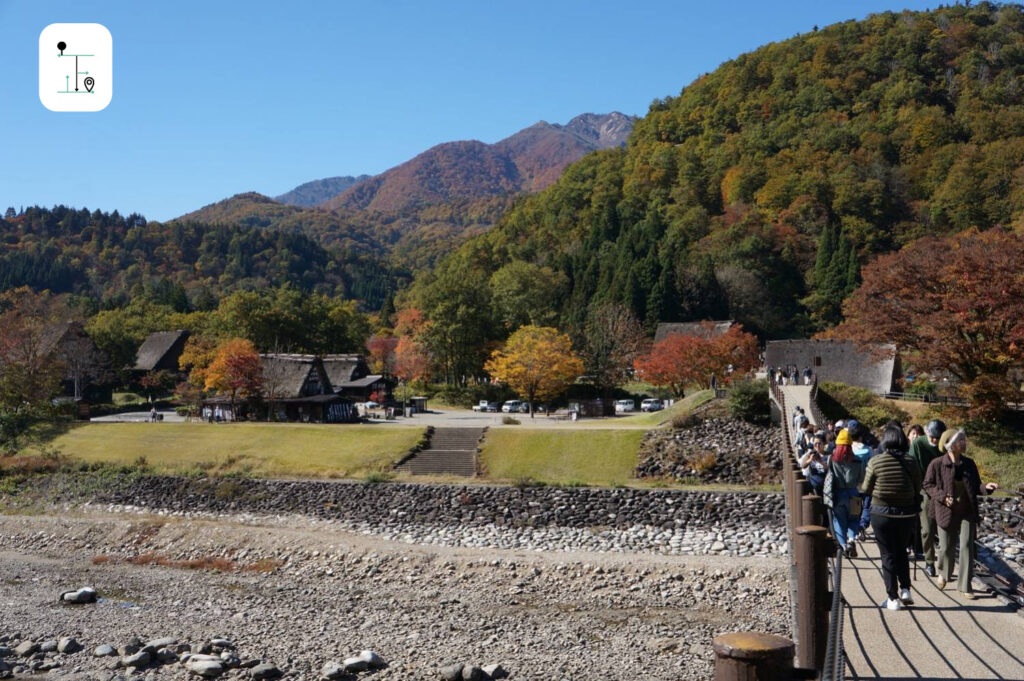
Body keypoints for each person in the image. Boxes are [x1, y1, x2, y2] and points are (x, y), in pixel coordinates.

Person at [923, 430, 999, 598]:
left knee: (966, 546)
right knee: (946, 547)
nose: (964, 443)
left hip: (966, 510)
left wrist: (986, 487)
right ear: (950, 444)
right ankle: (944, 573)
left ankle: (965, 585)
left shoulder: (969, 464)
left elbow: (976, 485)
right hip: (945, 510)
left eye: (964, 440)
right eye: (961, 440)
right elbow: (927, 484)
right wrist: (942, 497)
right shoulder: (936, 464)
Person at [861, 424, 922, 611]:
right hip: (906, 514)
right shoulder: (911, 461)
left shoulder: (876, 461)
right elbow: (917, 485)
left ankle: (892, 598)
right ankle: (905, 589)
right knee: (901, 551)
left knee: (887, 554)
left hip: (881, 513)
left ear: (885, 441)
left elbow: (866, 489)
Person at [909, 419, 947, 577]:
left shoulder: (944, 445)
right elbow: (912, 466)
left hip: (943, 489)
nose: (935, 440)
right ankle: (929, 561)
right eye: (932, 437)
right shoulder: (918, 444)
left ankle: (945, 564)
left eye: (938, 438)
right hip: (924, 489)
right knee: (927, 529)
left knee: (944, 527)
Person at [824, 428, 864, 557]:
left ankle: (844, 545)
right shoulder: (857, 460)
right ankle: (852, 539)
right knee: (854, 519)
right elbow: (861, 478)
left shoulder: (832, 459)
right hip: (854, 493)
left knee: (839, 521)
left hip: (838, 494)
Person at [849, 420, 875, 540]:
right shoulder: (869, 450)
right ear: (861, 436)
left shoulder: (849, 450)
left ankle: (856, 528)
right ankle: (863, 525)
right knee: (867, 506)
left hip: (853, 484)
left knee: (856, 507)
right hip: (867, 482)